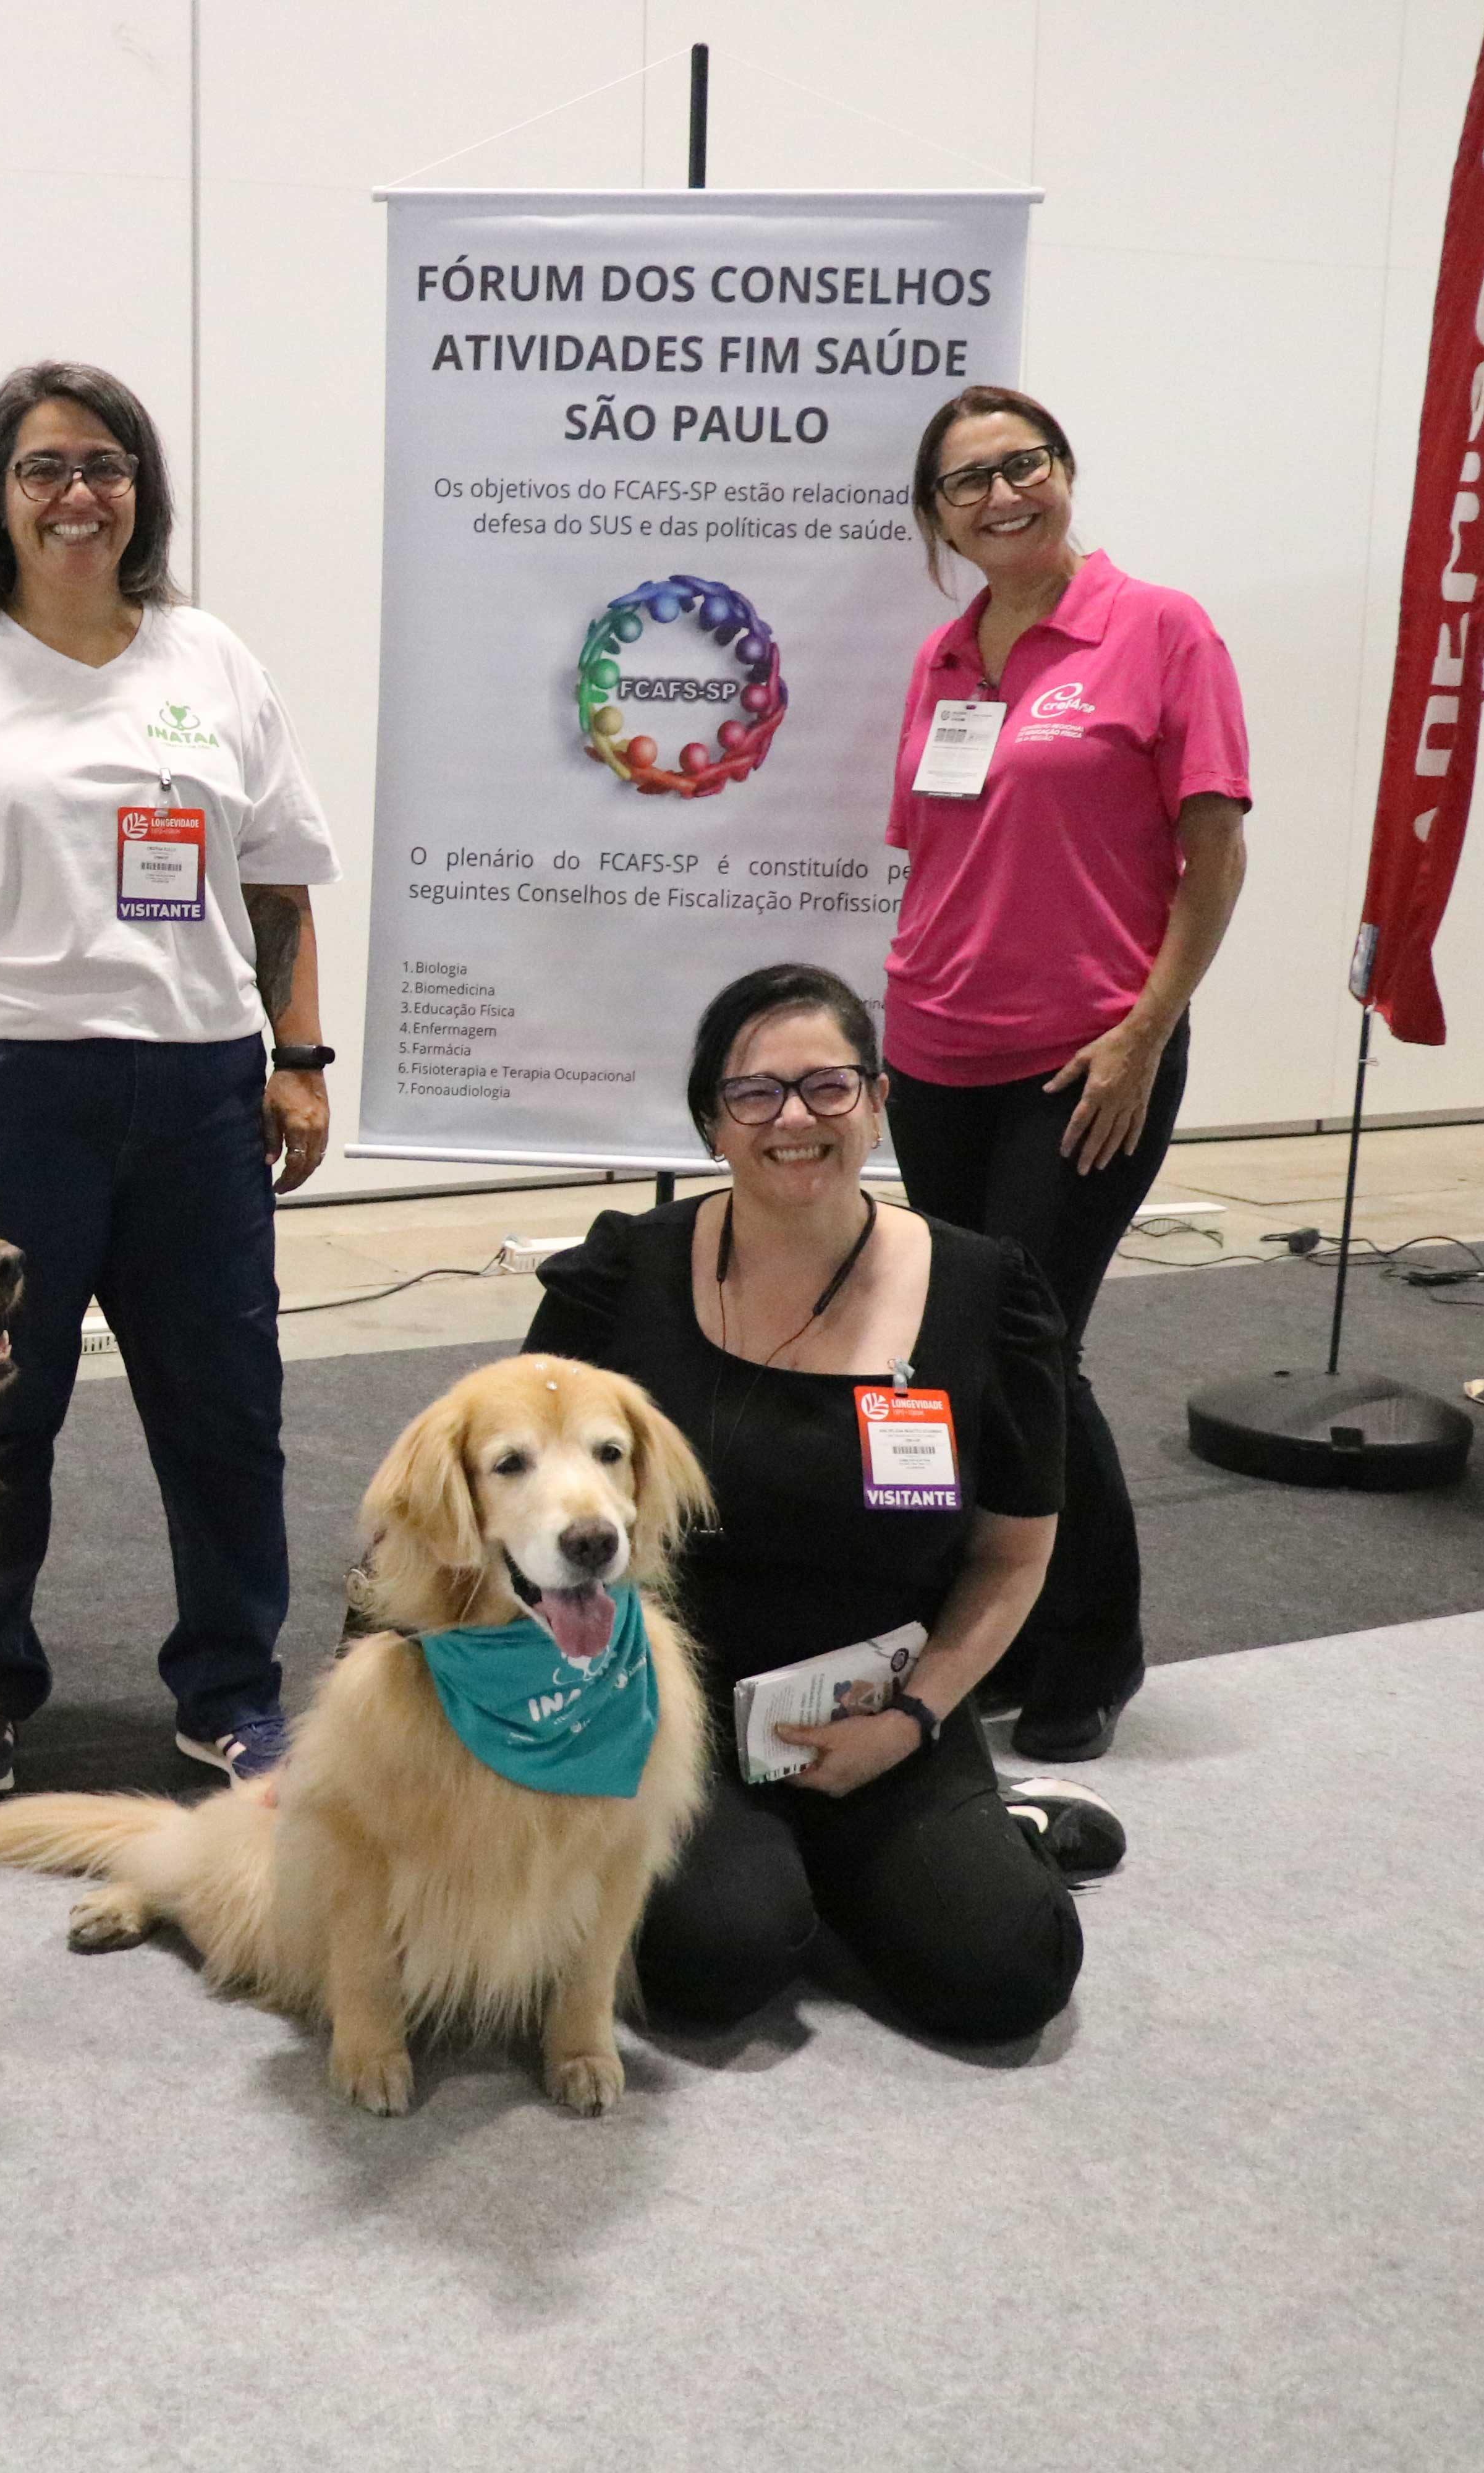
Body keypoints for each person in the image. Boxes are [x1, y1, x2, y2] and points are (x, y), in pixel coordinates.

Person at [0, 360, 339, 1795]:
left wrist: (299, 1059)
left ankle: (229, 1689)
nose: (77, 495)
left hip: (194, 1093)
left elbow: (281, 871)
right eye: (44, 468)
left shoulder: (210, 660)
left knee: (224, 1403)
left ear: (140, 493)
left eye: (104, 466)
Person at [526, 964, 1088, 2046]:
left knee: (1009, 1977)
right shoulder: (622, 1278)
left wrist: (914, 1719)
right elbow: (509, 1512)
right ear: (711, 1125)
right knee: (714, 1967)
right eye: (756, 1095)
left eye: (830, 1087)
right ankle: (795, 1876)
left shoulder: (986, 1293)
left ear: (878, 1102)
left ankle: (946, 1838)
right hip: (665, 1708)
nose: (795, 1118)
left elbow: (1015, 1557)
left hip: (885, 1704)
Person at [883, 385, 1250, 1763]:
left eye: (1020, 464)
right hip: (934, 1052)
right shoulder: (943, 655)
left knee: (1033, 1347)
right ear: (939, 517)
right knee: (960, 1352)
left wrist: (1147, 1032)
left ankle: (1093, 1647)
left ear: (1066, 471)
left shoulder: (1161, 628)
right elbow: (931, 851)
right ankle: (1006, 1630)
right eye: (966, 483)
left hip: (1088, 1054)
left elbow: (1212, 852)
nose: (999, 495)